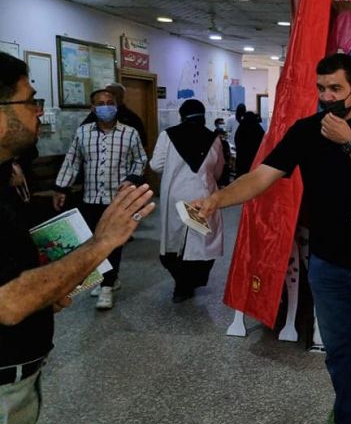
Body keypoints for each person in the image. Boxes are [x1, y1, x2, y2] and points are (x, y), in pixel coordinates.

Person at [192, 53, 351, 424]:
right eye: (322, 89)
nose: (327, 97)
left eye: (336, 89)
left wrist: (349, 142)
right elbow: (262, 176)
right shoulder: (305, 131)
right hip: (326, 265)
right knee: (339, 355)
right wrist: (217, 199)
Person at [0, 52, 155, 424]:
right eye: (31, 100)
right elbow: (9, 302)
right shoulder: (84, 134)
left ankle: (106, 281)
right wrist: (100, 241)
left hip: (22, 369)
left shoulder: (8, 177)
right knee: (102, 243)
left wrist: (50, 289)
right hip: (4, 378)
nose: (39, 111)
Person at [53, 89, 147, 310]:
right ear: (93, 108)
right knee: (95, 242)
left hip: (118, 199)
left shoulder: (130, 133)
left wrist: (132, 179)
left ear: (116, 105)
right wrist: (60, 188)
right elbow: (72, 162)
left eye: (110, 102)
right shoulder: (83, 133)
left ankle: (107, 286)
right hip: (91, 197)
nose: (106, 107)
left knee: (113, 242)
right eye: (101, 103)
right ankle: (109, 278)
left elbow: (140, 160)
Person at [150, 99, 224, 302]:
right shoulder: (213, 138)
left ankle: (182, 285)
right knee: (200, 243)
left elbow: (156, 165)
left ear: (181, 116)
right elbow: (218, 171)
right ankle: (190, 283)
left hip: (176, 197)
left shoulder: (168, 135)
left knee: (175, 242)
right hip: (202, 197)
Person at [81, 82, 147, 147]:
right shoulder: (97, 112)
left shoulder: (132, 118)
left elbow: (141, 143)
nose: (107, 96)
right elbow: (83, 133)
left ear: (121, 96)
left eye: (111, 93)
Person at [234, 111, 265, 177]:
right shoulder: (258, 129)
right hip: (255, 161)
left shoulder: (240, 129)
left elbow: (237, 142)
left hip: (242, 161)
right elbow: (263, 143)